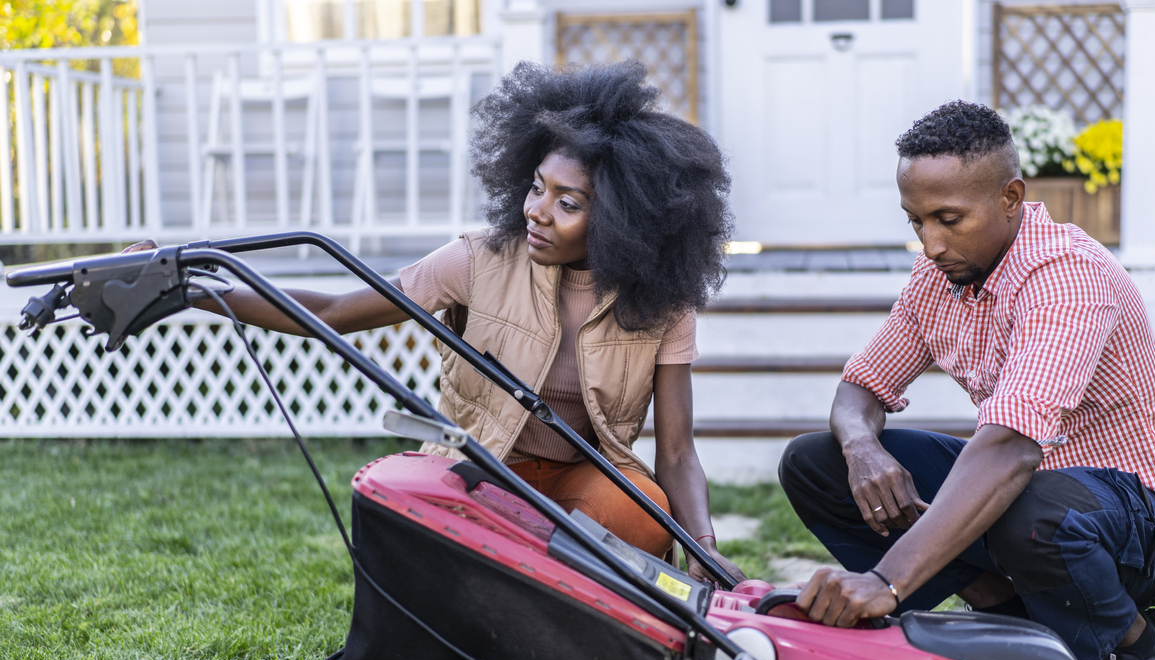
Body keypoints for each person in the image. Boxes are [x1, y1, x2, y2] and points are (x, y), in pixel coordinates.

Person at [131, 61, 745, 585]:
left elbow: (676, 449)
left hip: (583, 483)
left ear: (620, 217)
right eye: (536, 188)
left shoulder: (660, 300)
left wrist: (705, 550)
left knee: (639, 514)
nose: (537, 211)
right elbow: (335, 311)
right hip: (484, 468)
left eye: (568, 203)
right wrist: (194, 291)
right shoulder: (478, 259)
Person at [777, 101, 1155, 660]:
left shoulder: (1067, 276)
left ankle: (1140, 648)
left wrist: (887, 581)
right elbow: (860, 390)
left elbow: (1012, 448)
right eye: (917, 221)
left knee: (1029, 505)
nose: (931, 244)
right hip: (1038, 492)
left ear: (1011, 196)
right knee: (814, 462)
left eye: (949, 219)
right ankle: (1010, 620)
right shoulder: (941, 274)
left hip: (1152, 518)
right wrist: (861, 448)